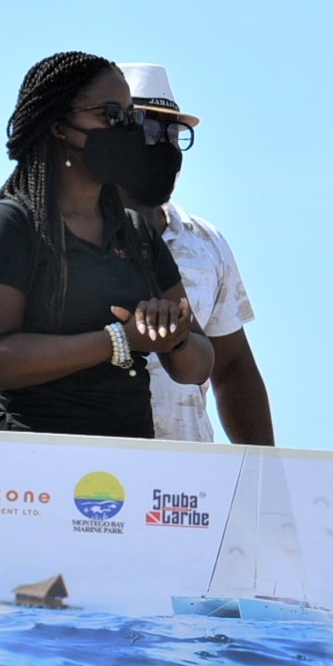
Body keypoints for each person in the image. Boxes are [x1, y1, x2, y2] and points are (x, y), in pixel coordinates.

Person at [0, 52, 212, 436]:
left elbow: (198, 365)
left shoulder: (136, 232)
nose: (127, 131)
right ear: (59, 125)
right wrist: (118, 340)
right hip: (26, 471)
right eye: (110, 115)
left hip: (126, 472)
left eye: (131, 117)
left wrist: (173, 338)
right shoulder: (8, 225)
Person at [116, 63, 274, 445]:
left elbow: (233, 368)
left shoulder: (205, 242)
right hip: (75, 479)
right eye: (150, 129)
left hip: (185, 484)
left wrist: (265, 478)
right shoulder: (59, 236)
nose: (164, 144)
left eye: (175, 133)